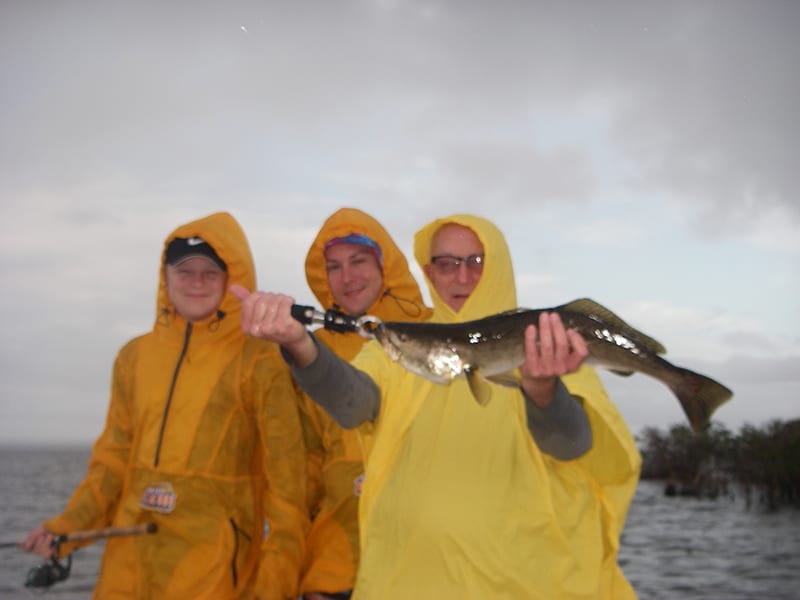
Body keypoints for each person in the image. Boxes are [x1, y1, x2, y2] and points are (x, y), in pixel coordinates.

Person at [232, 214, 641, 599]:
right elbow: (352, 404)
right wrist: (299, 343)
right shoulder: (406, 345)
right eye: (446, 263)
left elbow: (572, 445)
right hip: (409, 581)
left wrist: (542, 388)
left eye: (476, 261)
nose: (462, 276)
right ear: (428, 272)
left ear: (498, 263)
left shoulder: (548, 342)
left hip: (522, 582)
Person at [23, 212, 308, 600]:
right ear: (165, 277)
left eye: (210, 272)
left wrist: (273, 586)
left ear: (231, 278)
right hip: (127, 567)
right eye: (184, 271)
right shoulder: (133, 356)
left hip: (215, 572)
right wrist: (66, 528)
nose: (196, 282)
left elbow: (288, 493)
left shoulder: (260, 362)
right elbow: (112, 463)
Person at [298, 208, 431, 600]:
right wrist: (305, 570)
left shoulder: (434, 332)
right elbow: (301, 469)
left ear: (384, 264)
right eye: (334, 267)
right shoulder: (309, 353)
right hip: (335, 570)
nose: (347, 278)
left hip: (423, 565)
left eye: (358, 261)